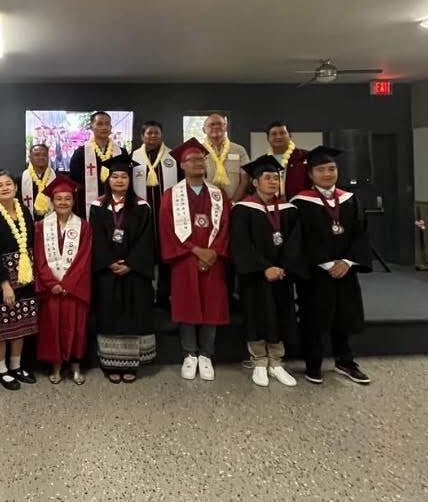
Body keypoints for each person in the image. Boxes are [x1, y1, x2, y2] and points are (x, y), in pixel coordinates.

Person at [291, 146, 373, 385]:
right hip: (315, 272)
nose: (327, 174)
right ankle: (313, 363)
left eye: (331, 169)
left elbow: (361, 234)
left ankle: (345, 361)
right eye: (321, 170)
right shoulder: (301, 202)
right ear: (310, 174)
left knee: (344, 315)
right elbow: (301, 239)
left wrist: (347, 262)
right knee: (314, 317)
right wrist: (327, 263)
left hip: (345, 270)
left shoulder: (349, 199)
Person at [231, 156, 308, 387]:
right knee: (255, 314)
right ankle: (259, 360)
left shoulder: (289, 210)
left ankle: (276, 361)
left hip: (281, 275)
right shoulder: (242, 210)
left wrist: (282, 267)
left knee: (281, 314)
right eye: (268, 178)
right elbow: (241, 244)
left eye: (276, 178)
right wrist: (264, 268)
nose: (273, 182)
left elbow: (295, 243)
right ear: (255, 182)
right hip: (255, 276)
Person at [160, 138, 230, 382]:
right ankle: (189, 353)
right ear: (182, 165)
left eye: (201, 159)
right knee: (187, 304)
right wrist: (195, 251)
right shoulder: (171, 196)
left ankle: (206, 354)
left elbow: (225, 227)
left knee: (212, 304)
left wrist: (213, 252)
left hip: (213, 259)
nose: (198, 163)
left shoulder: (219, 195)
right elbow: (168, 229)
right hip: (185, 259)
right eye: (192, 159)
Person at [89, 153, 156, 383]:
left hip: (134, 273)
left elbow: (146, 240)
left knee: (133, 316)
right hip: (107, 273)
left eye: (123, 177)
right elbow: (95, 238)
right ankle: (110, 364)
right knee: (109, 315)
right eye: (115, 176)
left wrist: (131, 264)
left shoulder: (142, 206)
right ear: (108, 180)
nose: (119, 180)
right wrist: (109, 262)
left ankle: (132, 364)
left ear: (130, 180)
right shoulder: (98, 206)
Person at [0, 171, 39, 390]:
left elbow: (31, 243)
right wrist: (5, 285)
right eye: (0, 185)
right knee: (2, 325)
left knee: (21, 323)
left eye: (8, 184)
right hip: (2, 280)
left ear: (15, 188)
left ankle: (16, 366)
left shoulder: (24, 211)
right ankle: (2, 369)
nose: (5, 188)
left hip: (25, 276)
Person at [34, 175, 92, 385]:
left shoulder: (83, 226)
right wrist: (52, 284)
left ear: (73, 201)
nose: (63, 202)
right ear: (52, 201)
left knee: (76, 327)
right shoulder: (41, 226)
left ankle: (76, 366)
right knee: (53, 327)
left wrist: (67, 284)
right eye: (58, 199)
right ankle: (56, 366)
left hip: (74, 289)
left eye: (67, 198)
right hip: (52, 290)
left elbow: (84, 258)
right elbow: (39, 258)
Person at [131, 120, 179, 309]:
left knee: (166, 254)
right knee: (144, 252)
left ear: (162, 135)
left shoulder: (173, 157)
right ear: (142, 136)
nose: (153, 136)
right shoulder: (133, 157)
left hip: (167, 215)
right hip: (142, 215)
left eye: (156, 133)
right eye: (149, 133)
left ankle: (164, 295)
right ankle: (146, 294)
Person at [69, 111, 127, 218]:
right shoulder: (80, 153)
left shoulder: (121, 153)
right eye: (100, 124)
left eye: (107, 124)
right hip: (88, 204)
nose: (104, 127)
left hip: (116, 203)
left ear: (111, 127)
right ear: (91, 127)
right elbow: (75, 181)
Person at [202, 113, 250, 203]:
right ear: (204, 130)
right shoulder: (198, 151)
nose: (216, 127)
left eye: (219, 124)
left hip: (234, 203)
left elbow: (245, 180)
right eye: (212, 124)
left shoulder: (239, 150)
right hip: (207, 203)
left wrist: (233, 203)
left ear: (226, 128)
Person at [265, 120, 309, 200]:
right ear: (268, 138)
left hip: (301, 203)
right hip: (272, 204)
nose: (278, 137)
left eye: (282, 133)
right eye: (274, 134)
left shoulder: (305, 156)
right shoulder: (263, 161)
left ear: (290, 135)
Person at [19, 143, 57, 220]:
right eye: (37, 155)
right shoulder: (21, 179)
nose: (41, 157)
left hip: (51, 221)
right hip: (28, 221)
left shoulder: (56, 179)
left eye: (44, 155)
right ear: (30, 157)